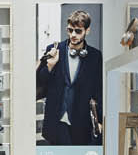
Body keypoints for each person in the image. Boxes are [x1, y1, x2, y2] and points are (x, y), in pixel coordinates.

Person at [36, 9, 104, 146]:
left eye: (78, 31)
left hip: (81, 118)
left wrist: (100, 120)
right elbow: (40, 81)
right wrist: (49, 65)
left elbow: (98, 89)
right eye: (70, 30)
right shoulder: (55, 49)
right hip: (56, 117)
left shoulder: (95, 56)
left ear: (87, 31)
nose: (73, 35)